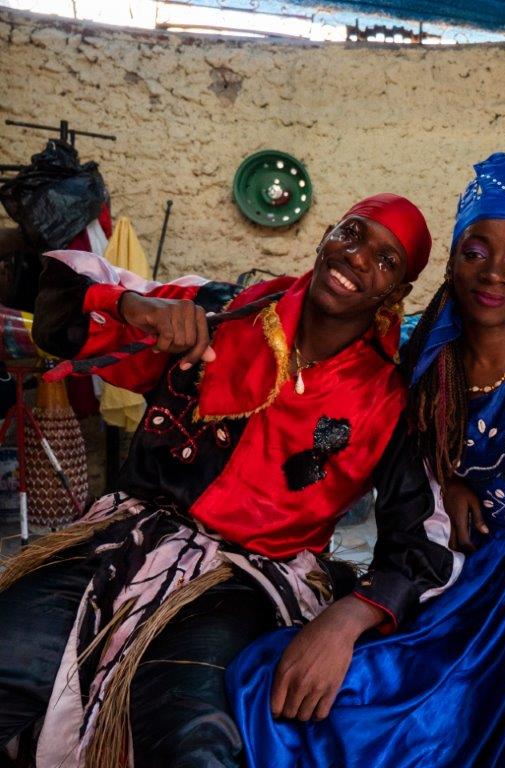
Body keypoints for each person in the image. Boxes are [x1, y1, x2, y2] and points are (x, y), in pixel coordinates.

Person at [228, 153, 505, 768]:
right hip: (486, 584)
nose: (494, 275)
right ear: (454, 258)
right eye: (475, 252)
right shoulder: (425, 368)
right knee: (305, 690)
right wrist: (453, 474)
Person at [0, 194, 455, 768]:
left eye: (387, 261)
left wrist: (349, 617)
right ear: (327, 236)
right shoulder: (222, 310)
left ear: (397, 293)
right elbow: (60, 310)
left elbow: (421, 542)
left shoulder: (389, 398)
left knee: (196, 738)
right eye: (353, 233)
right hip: (121, 541)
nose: (359, 258)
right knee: (11, 656)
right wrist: (133, 304)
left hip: (246, 581)